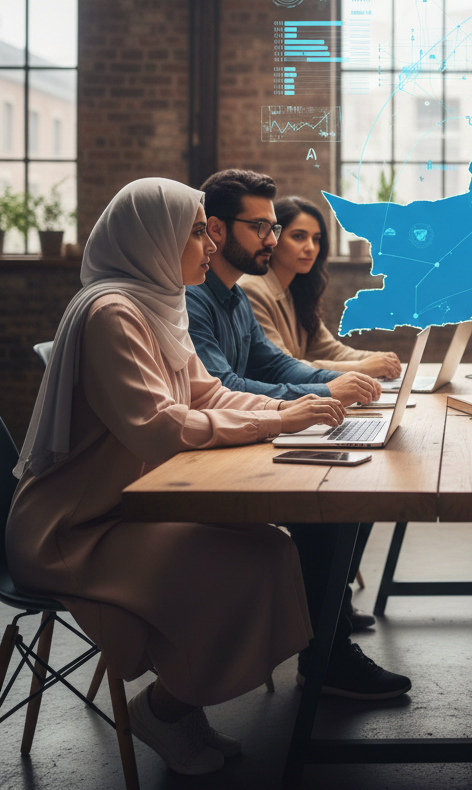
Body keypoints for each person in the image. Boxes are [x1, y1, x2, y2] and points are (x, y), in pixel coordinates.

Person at [5, 178, 349, 775]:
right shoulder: (112, 314)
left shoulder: (154, 303)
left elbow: (209, 393)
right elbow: (157, 428)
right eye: (196, 231)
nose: (209, 245)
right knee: (245, 563)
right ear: (153, 237)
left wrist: (285, 413)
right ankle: (165, 711)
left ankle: (180, 706)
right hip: (71, 531)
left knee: (272, 546)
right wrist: (280, 421)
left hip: (126, 508)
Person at [185, 169, 410, 698]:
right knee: (330, 505)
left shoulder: (233, 296)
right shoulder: (194, 301)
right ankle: (325, 654)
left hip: (242, 436)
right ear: (216, 230)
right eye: (262, 228)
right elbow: (225, 385)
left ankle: (325, 641)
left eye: (273, 228)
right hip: (206, 456)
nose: (273, 238)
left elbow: (276, 362)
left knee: (350, 485)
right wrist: (320, 398)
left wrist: (336, 383)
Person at [238, 195, 401, 379]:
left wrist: (379, 359)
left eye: (316, 239)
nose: (310, 247)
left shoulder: (296, 291)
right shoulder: (252, 291)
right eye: (298, 236)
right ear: (274, 239)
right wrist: (362, 367)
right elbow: (283, 367)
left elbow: (331, 350)